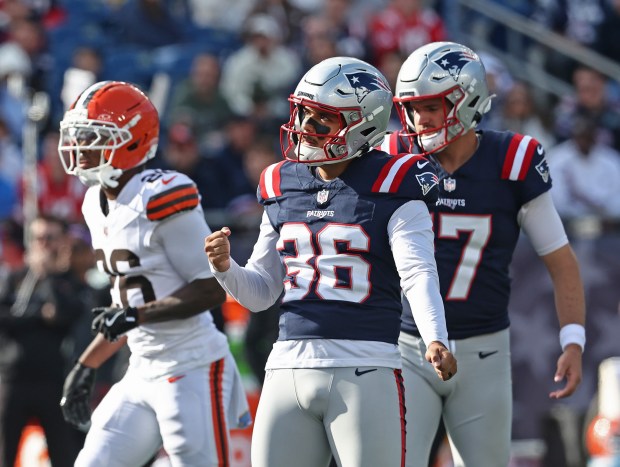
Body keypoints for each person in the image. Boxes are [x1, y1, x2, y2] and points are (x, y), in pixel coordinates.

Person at [204, 56, 457, 467]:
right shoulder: (280, 181)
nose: (304, 127)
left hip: (365, 366)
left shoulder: (395, 181)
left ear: (362, 124)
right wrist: (225, 269)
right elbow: (261, 293)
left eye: (321, 119)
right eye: (302, 113)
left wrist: (435, 337)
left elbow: (418, 272)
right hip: (287, 365)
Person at [381, 41, 586, 467]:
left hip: (485, 349)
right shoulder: (394, 156)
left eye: (432, 106)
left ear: (467, 98)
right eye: (413, 108)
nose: (420, 119)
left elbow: (560, 260)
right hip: (406, 347)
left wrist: (573, 341)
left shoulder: (513, 160)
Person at [56, 80, 251, 467]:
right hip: (142, 368)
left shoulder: (160, 195)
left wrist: (136, 317)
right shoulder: (95, 203)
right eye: (78, 135)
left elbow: (211, 290)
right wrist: (86, 364)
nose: (80, 147)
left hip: (191, 364)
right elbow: (125, 304)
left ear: (129, 142)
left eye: (92, 136)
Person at [0, 214, 83, 467]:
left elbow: (62, 316)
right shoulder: (14, 277)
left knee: (62, 455)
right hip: (12, 379)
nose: (43, 244)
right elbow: (5, 320)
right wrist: (39, 314)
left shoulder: (68, 281)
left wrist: (47, 277)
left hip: (53, 381)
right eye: (38, 238)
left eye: (50, 238)